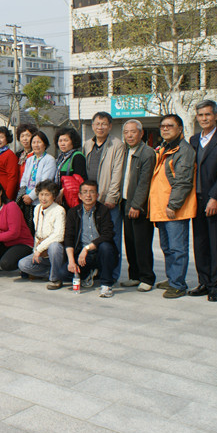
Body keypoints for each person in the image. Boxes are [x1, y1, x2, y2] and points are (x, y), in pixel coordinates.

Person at [187, 100, 217, 302]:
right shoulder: (193, 140)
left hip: (214, 200)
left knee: (216, 244)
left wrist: (215, 197)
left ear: (216, 116)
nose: (204, 118)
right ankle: (204, 282)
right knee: (200, 243)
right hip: (195, 199)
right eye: (200, 115)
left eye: (208, 114)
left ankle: (216, 286)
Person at [150, 114, 197, 299]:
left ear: (180, 128)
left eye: (170, 125)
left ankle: (178, 284)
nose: (165, 128)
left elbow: (183, 181)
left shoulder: (184, 150)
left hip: (174, 209)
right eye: (162, 126)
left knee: (178, 249)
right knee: (167, 248)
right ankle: (172, 279)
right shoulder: (165, 148)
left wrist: (174, 205)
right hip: (162, 208)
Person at [82, 111, 126, 282]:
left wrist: (112, 197)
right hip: (91, 200)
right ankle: (98, 271)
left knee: (112, 238)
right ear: (92, 126)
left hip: (108, 200)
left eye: (104, 124)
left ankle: (112, 275)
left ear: (110, 126)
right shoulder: (87, 144)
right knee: (94, 237)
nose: (100, 127)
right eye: (97, 124)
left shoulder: (117, 145)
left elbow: (117, 173)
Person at [118, 119, 157, 292]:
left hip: (138, 205)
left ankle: (147, 277)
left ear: (141, 133)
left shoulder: (147, 153)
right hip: (125, 202)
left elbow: (145, 182)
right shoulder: (125, 151)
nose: (129, 135)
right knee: (130, 242)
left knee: (142, 243)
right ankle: (134, 276)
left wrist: (136, 205)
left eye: (133, 132)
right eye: (126, 132)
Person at [64, 180, 117, 297]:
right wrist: (71, 261)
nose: (88, 195)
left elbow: (108, 234)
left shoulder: (103, 210)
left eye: (92, 192)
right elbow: (69, 237)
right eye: (85, 192)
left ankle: (106, 285)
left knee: (106, 247)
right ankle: (88, 273)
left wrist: (87, 248)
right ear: (80, 195)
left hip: (99, 251)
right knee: (63, 273)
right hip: (82, 255)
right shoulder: (73, 212)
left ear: (97, 195)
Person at [18, 181, 66, 286]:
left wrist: (39, 249)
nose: (43, 198)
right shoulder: (37, 208)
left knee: (54, 246)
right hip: (41, 251)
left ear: (54, 196)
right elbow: (37, 233)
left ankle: (55, 279)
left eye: (47, 195)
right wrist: (36, 250)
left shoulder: (59, 210)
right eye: (41, 194)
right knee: (23, 264)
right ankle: (53, 272)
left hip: (53, 252)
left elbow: (58, 235)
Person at [17, 130, 57, 234]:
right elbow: (24, 178)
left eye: (39, 142)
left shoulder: (49, 160)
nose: (36, 145)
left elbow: (45, 181)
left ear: (45, 144)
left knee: (38, 227)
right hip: (26, 198)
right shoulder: (30, 159)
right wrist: (24, 194)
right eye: (34, 142)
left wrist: (31, 197)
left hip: (40, 199)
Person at [53, 127, 87, 208]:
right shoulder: (60, 158)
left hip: (71, 199)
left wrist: (63, 191)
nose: (62, 143)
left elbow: (80, 180)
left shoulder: (77, 156)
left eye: (66, 140)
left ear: (73, 141)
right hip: (60, 198)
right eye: (60, 141)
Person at [0, 126, 19, 201]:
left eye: (1, 137)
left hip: (4, 193)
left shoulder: (10, 155)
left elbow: (13, 178)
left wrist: (7, 198)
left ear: (7, 139)